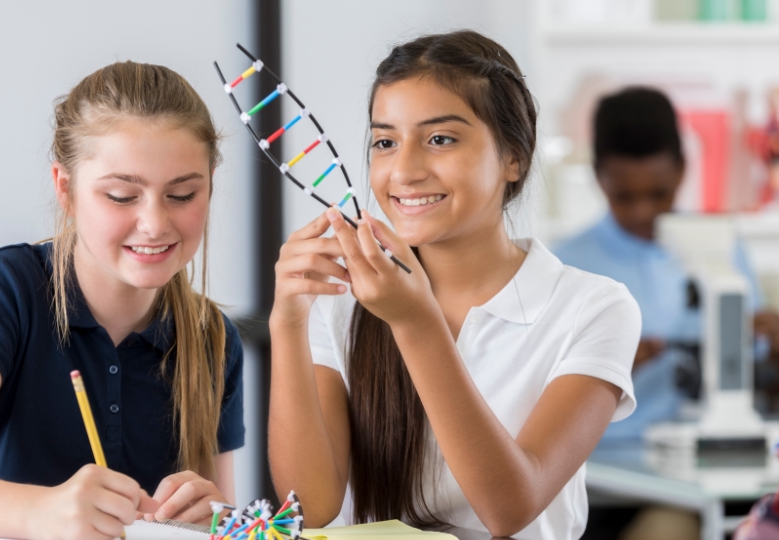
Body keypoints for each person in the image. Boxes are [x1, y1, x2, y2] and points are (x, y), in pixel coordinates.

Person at [267, 30, 640, 540]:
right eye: (384, 142)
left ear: (515, 158)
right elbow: (310, 509)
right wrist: (288, 322)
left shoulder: (592, 307)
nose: (404, 170)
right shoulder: (343, 304)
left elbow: (510, 509)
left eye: (440, 139)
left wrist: (415, 321)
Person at [0, 62, 244, 540]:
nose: (155, 223)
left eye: (182, 194)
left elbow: (219, 512)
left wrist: (215, 520)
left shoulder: (213, 336)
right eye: (122, 196)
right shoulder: (8, 288)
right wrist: (46, 511)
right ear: (66, 189)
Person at [554, 87, 779, 442]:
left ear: (682, 170)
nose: (643, 212)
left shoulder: (723, 246)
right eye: (624, 197)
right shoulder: (563, 265)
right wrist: (600, 370)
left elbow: (760, 369)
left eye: (658, 193)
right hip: (610, 470)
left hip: (713, 452)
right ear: (599, 177)